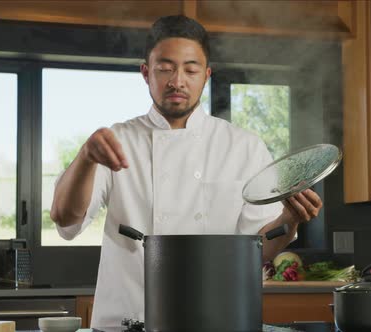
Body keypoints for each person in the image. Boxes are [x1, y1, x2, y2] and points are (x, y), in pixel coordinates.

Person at [50, 15, 323, 328]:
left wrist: (290, 218)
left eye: (190, 69)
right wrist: (85, 157)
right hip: (128, 321)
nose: (177, 80)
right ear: (145, 72)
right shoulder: (116, 140)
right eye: (165, 68)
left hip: (214, 320)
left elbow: (257, 249)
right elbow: (65, 219)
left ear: (206, 76)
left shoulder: (244, 146)